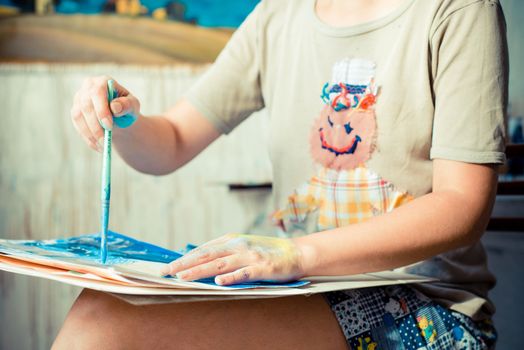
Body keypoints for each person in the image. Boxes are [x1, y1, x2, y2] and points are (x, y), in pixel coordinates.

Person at [53, 0, 507, 348]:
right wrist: (123, 119)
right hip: (298, 292)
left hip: (429, 312)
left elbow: (463, 206)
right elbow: (170, 142)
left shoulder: (460, 10)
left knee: (104, 326)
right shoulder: (278, 13)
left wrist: (294, 255)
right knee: (97, 308)